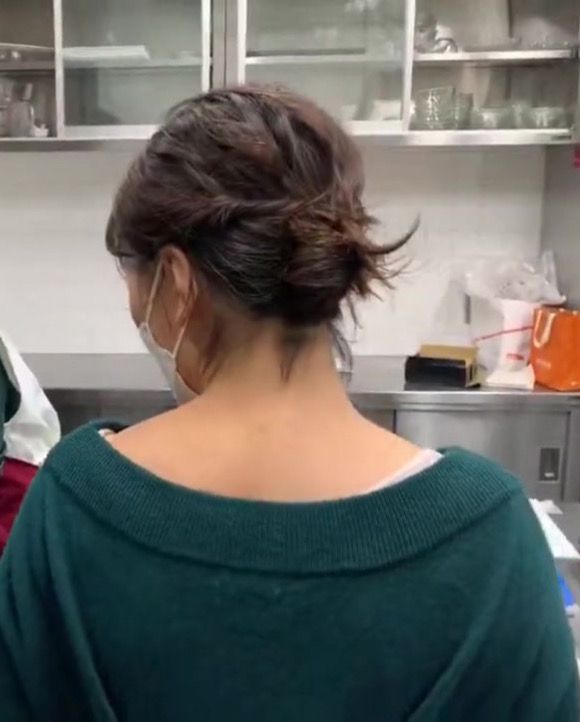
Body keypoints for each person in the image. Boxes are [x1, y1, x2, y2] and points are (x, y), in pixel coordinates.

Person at [0, 86, 577, 721]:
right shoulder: (492, 538)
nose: (134, 308)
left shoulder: (71, 508)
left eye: (131, 279)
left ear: (177, 281)